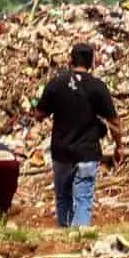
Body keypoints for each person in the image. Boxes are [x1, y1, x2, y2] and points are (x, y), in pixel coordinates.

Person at [33, 42, 122, 228]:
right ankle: (80, 239)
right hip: (88, 152)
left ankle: (64, 238)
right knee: (83, 198)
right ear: (91, 63)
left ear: (70, 60)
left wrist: (57, 108)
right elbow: (114, 122)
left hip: (62, 152)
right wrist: (119, 146)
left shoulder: (57, 82)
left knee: (63, 197)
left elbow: (39, 114)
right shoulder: (97, 86)